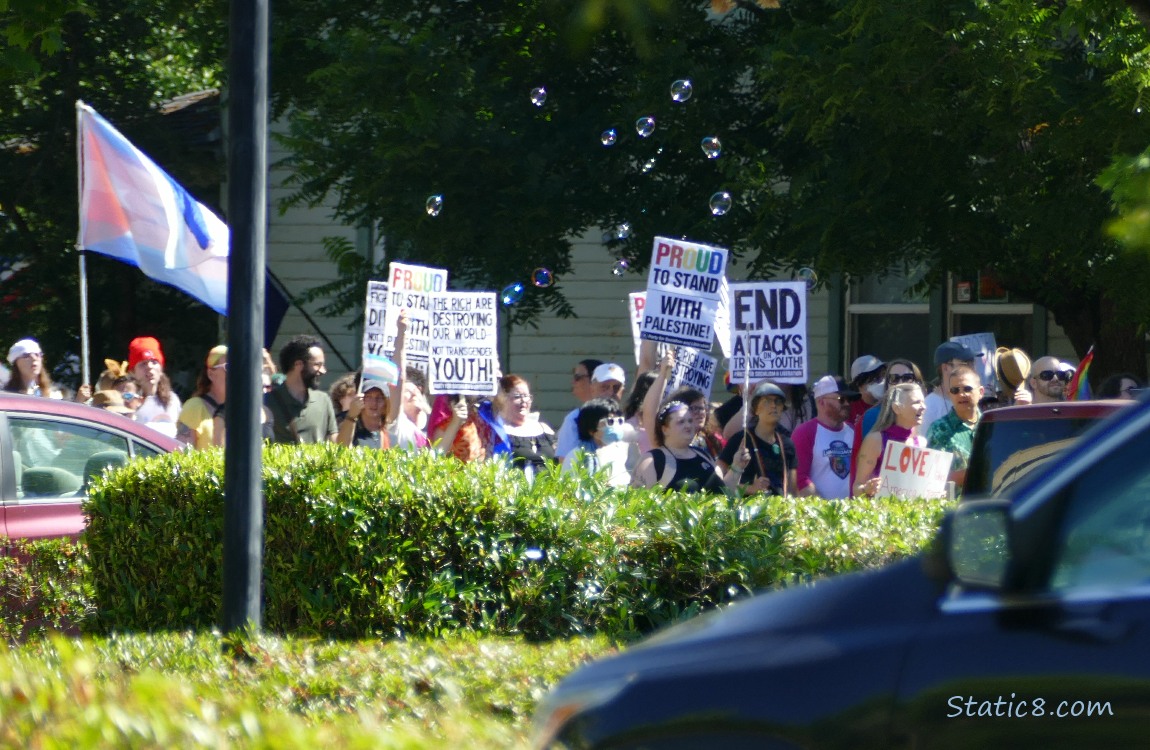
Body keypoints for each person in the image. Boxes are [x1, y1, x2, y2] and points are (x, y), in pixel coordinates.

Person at [631, 401, 739, 493]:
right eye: (681, 422)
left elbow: (724, 493)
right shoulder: (652, 460)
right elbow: (639, 504)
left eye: (690, 421)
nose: (688, 425)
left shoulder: (703, 454)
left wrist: (738, 467)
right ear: (665, 429)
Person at [849, 358, 924, 488]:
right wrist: (868, 488)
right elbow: (861, 476)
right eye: (894, 378)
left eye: (908, 377)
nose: (900, 383)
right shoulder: (873, 417)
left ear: (918, 382)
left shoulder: (920, 415)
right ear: (887, 384)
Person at [718, 382, 798, 496]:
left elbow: (792, 490)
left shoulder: (787, 444)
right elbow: (720, 481)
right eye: (767, 401)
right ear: (756, 410)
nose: (773, 405)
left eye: (778, 402)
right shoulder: (741, 439)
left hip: (780, 509)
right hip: (747, 510)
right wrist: (751, 488)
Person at [853, 382, 928, 497]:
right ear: (897, 408)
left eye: (923, 402)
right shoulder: (875, 440)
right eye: (917, 402)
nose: (923, 407)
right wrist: (866, 489)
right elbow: (857, 488)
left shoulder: (921, 443)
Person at [264, 334, 338, 444]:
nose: (323, 371)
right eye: (317, 365)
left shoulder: (323, 400)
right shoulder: (266, 402)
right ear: (298, 364)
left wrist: (351, 418)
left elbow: (335, 443)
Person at [791, 375, 857, 499]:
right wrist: (826, 511)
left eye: (849, 399)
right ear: (821, 402)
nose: (847, 404)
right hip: (820, 513)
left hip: (851, 513)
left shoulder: (853, 431)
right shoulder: (805, 433)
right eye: (841, 399)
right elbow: (799, 479)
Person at [926, 365, 984, 487]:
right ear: (950, 395)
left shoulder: (991, 425)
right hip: (955, 504)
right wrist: (969, 475)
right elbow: (930, 477)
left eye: (967, 389)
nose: (961, 394)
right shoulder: (938, 430)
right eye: (955, 390)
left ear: (981, 392)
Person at [496, 374, 556, 475]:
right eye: (517, 396)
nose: (524, 401)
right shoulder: (500, 431)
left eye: (526, 396)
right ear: (503, 399)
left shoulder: (544, 429)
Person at [562, 397, 630, 486]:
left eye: (619, 421)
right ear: (591, 429)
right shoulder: (576, 456)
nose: (616, 426)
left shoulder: (618, 451)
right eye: (610, 422)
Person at [176, 345, 228, 449]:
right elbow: (182, 456)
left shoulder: (242, 410)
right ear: (211, 374)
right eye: (228, 367)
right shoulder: (194, 407)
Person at [128, 336, 182, 436]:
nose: (149, 367)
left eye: (154, 362)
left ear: (161, 369)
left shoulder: (172, 400)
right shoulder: (128, 400)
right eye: (143, 364)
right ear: (133, 372)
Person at [920, 342, 976, 434]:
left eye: (972, 363)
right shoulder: (928, 408)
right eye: (966, 363)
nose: (972, 368)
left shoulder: (974, 399)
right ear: (945, 368)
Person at [554, 358, 604, 459]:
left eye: (577, 377)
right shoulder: (574, 419)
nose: (573, 382)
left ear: (593, 381)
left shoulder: (573, 419)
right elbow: (564, 462)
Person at [4, 339, 81, 400]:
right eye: (26, 355)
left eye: (37, 354)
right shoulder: (7, 396)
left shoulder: (58, 394)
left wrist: (79, 401)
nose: (34, 358)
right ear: (16, 363)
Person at [847, 354, 885, 428]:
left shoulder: (892, 405)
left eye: (883, 375)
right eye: (875, 378)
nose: (882, 381)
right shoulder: (849, 409)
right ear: (859, 382)